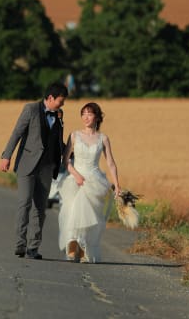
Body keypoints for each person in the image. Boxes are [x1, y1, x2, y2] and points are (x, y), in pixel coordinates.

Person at [0, 82, 68, 259]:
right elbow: (17, 133)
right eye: (61, 100)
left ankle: (33, 247)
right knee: (25, 204)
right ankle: (20, 244)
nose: (63, 104)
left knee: (40, 209)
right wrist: (6, 156)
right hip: (26, 165)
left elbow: (57, 140)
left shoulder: (59, 114)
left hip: (47, 168)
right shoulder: (30, 109)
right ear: (51, 98)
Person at [57, 102, 120, 263]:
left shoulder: (103, 138)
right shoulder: (74, 135)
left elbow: (111, 163)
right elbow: (65, 160)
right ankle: (72, 245)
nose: (86, 117)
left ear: (97, 117)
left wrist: (117, 185)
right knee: (73, 211)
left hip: (94, 180)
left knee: (91, 216)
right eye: (83, 113)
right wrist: (76, 175)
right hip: (76, 178)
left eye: (90, 114)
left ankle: (85, 248)